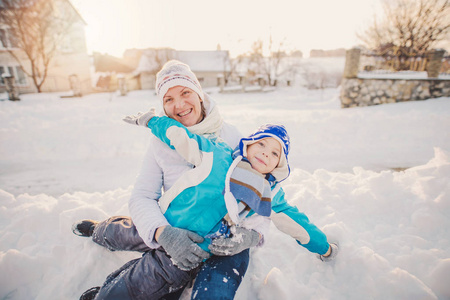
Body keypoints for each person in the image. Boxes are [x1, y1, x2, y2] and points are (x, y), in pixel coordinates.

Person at [73, 60, 338, 300]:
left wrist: (252, 237)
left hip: (220, 242)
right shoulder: (202, 150)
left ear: (199, 93)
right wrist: (163, 232)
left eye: (185, 92)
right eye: (169, 99)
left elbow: (278, 214)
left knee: (162, 275)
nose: (179, 104)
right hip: (173, 221)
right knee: (126, 231)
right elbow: (148, 186)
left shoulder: (233, 143)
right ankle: (100, 231)